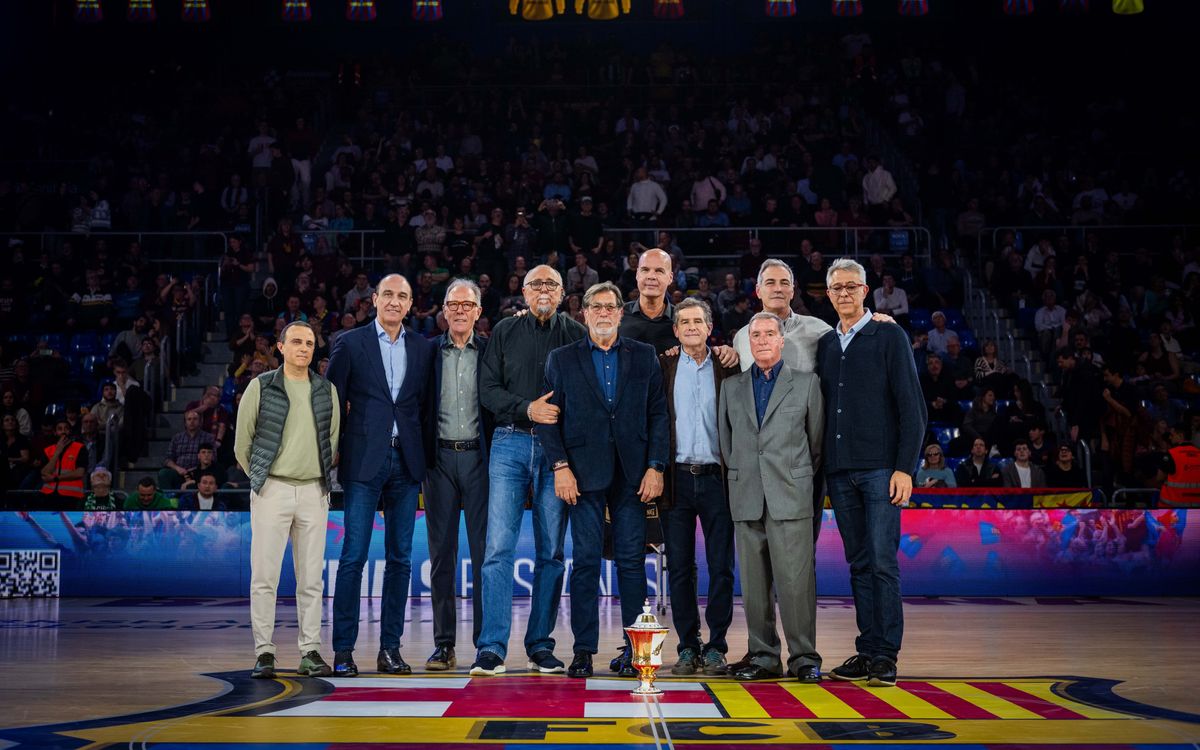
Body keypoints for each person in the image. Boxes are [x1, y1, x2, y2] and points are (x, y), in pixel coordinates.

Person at [540, 281, 668, 679]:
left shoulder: (644, 356)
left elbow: (658, 415)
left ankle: (635, 652)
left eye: (611, 307)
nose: (603, 313)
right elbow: (547, 417)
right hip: (581, 475)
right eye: (596, 307)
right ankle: (583, 651)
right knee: (586, 564)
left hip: (634, 475)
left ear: (619, 313)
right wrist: (560, 467)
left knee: (631, 562)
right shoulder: (561, 358)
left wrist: (656, 466)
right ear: (585, 313)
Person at [471, 265, 586, 676]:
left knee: (551, 553)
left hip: (558, 451)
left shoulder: (575, 333)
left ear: (562, 292)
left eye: (551, 284)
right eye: (536, 283)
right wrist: (527, 409)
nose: (543, 289)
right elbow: (488, 390)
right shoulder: (504, 331)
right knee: (497, 549)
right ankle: (492, 648)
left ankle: (540, 645)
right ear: (523, 290)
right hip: (510, 442)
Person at [817, 258, 926, 689]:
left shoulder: (889, 335)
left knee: (882, 562)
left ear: (866, 291)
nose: (844, 293)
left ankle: (885, 654)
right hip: (840, 472)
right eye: (836, 287)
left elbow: (912, 408)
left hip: (882, 470)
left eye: (851, 286)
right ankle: (867, 648)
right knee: (859, 564)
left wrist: (905, 468)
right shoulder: (826, 344)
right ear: (828, 295)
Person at [326, 274, 436, 677]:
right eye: (387, 294)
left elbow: (423, 408)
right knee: (353, 556)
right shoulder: (350, 343)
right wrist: (331, 454)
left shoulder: (423, 348)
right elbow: (333, 403)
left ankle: (390, 649)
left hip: (405, 463)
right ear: (374, 299)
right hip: (362, 462)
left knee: (401, 559)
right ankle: (343, 651)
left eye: (402, 296)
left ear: (410, 305)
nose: (394, 301)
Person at [718, 312, 824, 683]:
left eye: (769, 334)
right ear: (748, 343)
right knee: (754, 584)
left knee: (796, 583)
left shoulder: (808, 384)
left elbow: (816, 445)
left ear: (782, 341)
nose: (762, 340)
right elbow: (726, 443)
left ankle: (804, 656)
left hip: (790, 495)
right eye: (755, 335)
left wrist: (792, 479)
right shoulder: (731, 387)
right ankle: (763, 656)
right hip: (746, 494)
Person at [235, 320, 340, 680]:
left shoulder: (326, 390)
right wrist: (261, 480)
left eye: (310, 343)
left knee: (311, 579)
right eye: (296, 341)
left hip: (314, 490)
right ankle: (264, 652)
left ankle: (310, 650)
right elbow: (241, 444)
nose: (304, 348)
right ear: (280, 347)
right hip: (272, 489)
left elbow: (333, 440)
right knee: (264, 576)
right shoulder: (260, 386)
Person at [658, 299, 736, 677]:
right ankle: (688, 646)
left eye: (697, 321)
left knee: (722, 566)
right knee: (680, 570)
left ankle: (717, 646)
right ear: (675, 330)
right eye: (684, 321)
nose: (690, 326)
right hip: (676, 480)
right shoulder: (664, 365)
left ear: (709, 327)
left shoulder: (727, 365)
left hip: (717, 480)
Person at [423, 279, 492, 671]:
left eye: (468, 305)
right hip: (440, 463)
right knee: (441, 558)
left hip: (480, 462)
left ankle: (485, 644)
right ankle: (444, 644)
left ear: (478, 312)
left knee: (485, 557)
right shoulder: (427, 351)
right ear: (444, 311)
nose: (461, 311)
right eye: (454, 305)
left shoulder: (491, 351)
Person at [38, 419, 88, 502]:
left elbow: (79, 473)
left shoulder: (80, 448)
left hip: (71, 495)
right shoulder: (48, 450)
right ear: (55, 432)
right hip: (48, 495)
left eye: (66, 428)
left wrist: (56, 479)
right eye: (60, 429)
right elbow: (44, 473)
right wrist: (57, 452)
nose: (63, 431)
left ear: (70, 431)